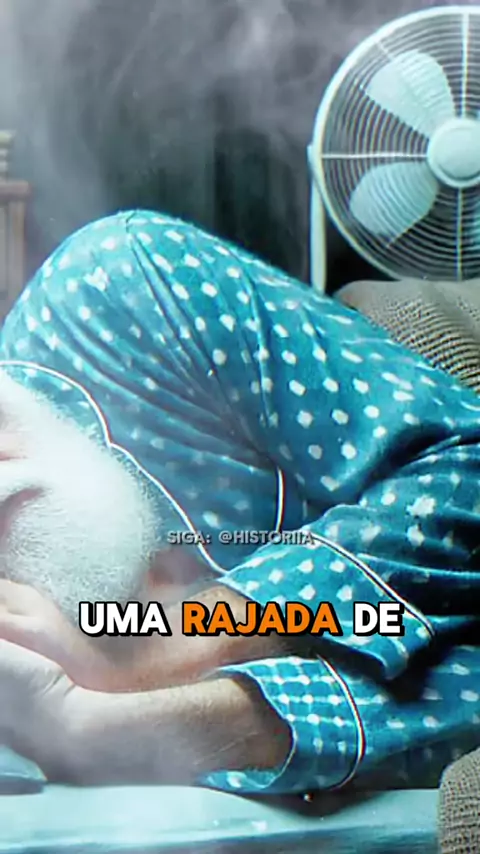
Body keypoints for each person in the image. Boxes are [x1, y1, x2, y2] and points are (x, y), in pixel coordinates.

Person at [0, 208, 478, 792]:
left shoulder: (116, 293)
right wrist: (119, 725)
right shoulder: (26, 641)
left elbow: (465, 465)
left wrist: (162, 657)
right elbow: (458, 691)